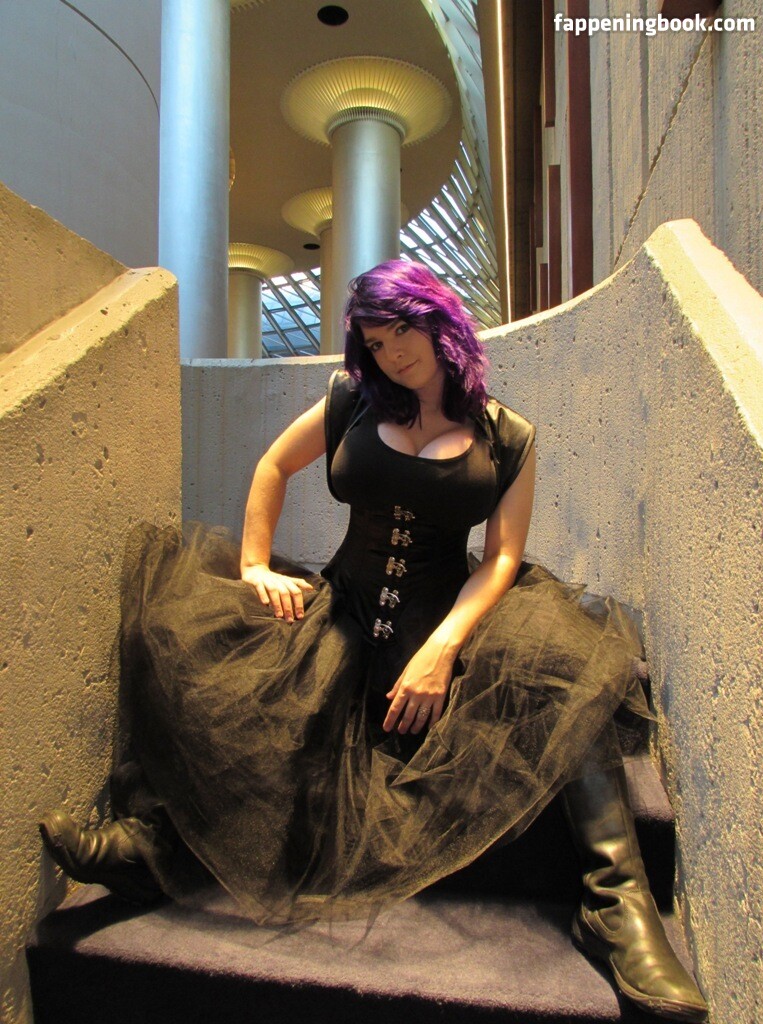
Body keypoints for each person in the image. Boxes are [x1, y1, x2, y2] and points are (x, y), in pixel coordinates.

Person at [40, 260, 707, 1022]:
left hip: (445, 624)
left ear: (438, 319)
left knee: (563, 666)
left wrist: (443, 649)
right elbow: (273, 464)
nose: (391, 354)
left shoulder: (509, 435)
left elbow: (500, 560)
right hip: (344, 613)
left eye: (399, 333)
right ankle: (152, 845)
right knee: (189, 629)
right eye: (375, 342)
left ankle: (616, 904)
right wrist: (255, 564)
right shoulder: (350, 400)